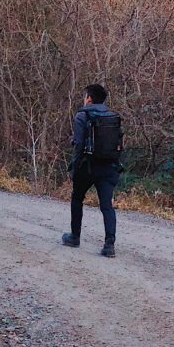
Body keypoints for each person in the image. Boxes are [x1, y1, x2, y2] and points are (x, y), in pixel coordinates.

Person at [61, 83, 122, 257]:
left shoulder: (82, 115)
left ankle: (75, 237)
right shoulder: (113, 116)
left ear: (89, 98)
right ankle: (109, 245)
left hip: (87, 166)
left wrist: (75, 167)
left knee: (77, 199)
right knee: (106, 206)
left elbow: (79, 144)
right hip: (109, 167)